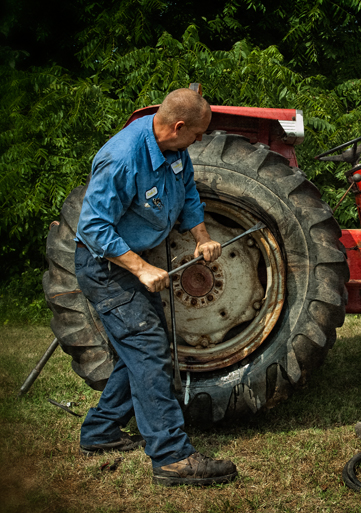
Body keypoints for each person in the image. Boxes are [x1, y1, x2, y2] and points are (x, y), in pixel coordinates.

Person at [73, 88, 237, 486]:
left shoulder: (174, 152)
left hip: (130, 262)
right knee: (148, 351)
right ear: (179, 126)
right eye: (198, 134)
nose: (200, 142)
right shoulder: (123, 158)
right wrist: (141, 268)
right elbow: (92, 228)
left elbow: (188, 193)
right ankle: (171, 456)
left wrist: (201, 236)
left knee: (141, 350)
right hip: (106, 267)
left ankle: (99, 433)